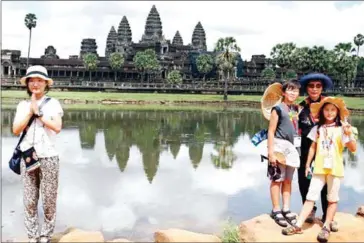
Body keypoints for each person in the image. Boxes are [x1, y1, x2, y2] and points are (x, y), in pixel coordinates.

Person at [282, 97, 357, 243]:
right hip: (319, 168)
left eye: (332, 110)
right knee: (310, 197)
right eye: (327, 110)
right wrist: (307, 165)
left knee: (332, 199)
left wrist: (349, 134)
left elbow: (353, 148)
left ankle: (326, 226)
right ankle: (298, 225)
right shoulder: (318, 128)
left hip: (335, 169)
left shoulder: (343, 128)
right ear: (322, 112)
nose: (329, 113)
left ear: (337, 112)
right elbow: (313, 147)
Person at [12, 65, 64, 243]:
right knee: (29, 199)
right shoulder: (22, 105)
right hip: (27, 156)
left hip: (48, 156)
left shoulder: (53, 103)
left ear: (45, 84)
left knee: (49, 199)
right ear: (27, 84)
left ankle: (46, 236)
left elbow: (57, 127)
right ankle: (32, 236)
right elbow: (15, 129)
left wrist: (39, 113)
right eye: (31, 80)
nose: (35, 84)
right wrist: (30, 111)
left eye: (39, 80)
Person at [298, 73, 334, 225]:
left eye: (318, 86)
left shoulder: (329, 106)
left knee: (327, 184)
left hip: (325, 152)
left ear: (322, 88)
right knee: (304, 181)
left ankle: (328, 216)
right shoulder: (300, 107)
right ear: (306, 88)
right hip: (305, 150)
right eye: (311, 86)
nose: (314, 89)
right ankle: (310, 211)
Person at [266, 79, 301, 227]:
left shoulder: (296, 109)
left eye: (295, 90)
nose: (292, 93)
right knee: (277, 179)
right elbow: (271, 131)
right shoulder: (278, 109)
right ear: (284, 92)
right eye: (290, 90)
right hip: (279, 150)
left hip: (292, 150)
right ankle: (276, 210)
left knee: (288, 180)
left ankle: (286, 208)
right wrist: (271, 153)